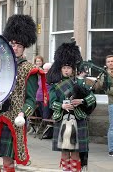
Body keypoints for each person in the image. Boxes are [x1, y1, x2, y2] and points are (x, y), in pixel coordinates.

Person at [0, 14, 46, 171]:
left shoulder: (30, 70)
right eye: (12, 44)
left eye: (19, 45)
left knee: (8, 161)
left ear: (24, 48)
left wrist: (23, 114)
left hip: (13, 118)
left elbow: (31, 100)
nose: (15, 48)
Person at [47, 42, 96, 172]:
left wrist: (81, 101)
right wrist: (62, 105)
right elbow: (51, 103)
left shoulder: (81, 83)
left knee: (75, 152)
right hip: (62, 120)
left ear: (73, 69)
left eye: (68, 67)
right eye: (64, 68)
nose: (66, 70)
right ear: (60, 69)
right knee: (64, 152)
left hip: (78, 119)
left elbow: (92, 99)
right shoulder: (55, 85)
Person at [100, 55, 113, 156]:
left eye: (112, 61)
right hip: (112, 104)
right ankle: (111, 149)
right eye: (108, 61)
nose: (110, 63)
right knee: (112, 127)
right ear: (106, 63)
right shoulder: (104, 75)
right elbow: (107, 90)